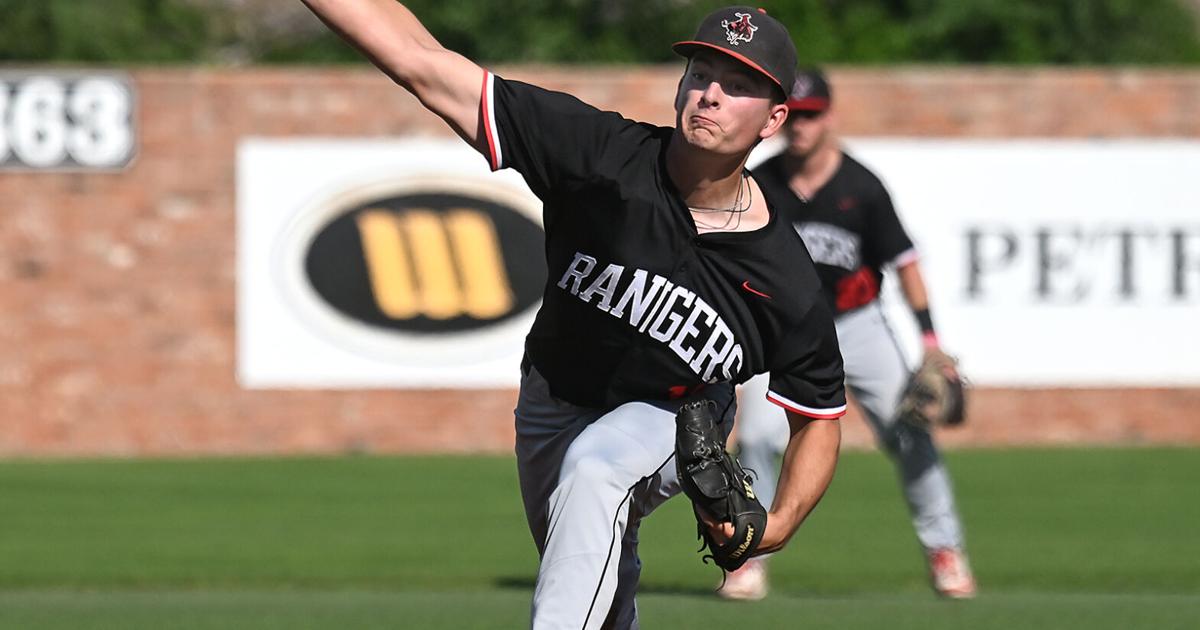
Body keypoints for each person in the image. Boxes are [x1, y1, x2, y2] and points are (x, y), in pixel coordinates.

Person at [299, 3, 848, 628]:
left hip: (676, 415)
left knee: (596, 471)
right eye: (701, 73)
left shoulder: (784, 278)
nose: (711, 95)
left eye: (740, 86)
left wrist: (776, 527)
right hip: (551, 399)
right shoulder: (596, 154)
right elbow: (422, 63)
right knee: (592, 579)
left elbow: (820, 416)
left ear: (774, 118)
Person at [715, 68, 976, 601]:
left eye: (813, 116)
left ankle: (944, 550)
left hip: (858, 326)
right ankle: (749, 555)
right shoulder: (762, 182)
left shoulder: (862, 187)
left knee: (910, 434)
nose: (803, 127)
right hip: (784, 331)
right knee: (759, 437)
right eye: (796, 116)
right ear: (778, 118)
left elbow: (905, 264)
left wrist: (928, 341)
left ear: (828, 117)